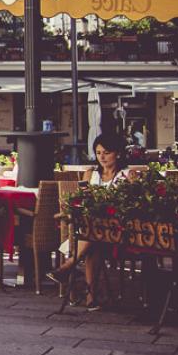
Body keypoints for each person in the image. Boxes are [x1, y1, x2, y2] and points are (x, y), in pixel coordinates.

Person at [51, 132, 129, 311]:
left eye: (106, 152)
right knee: (93, 244)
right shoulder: (90, 174)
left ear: (117, 153)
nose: (101, 157)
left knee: (91, 236)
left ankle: (69, 265)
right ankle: (91, 298)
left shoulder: (126, 175)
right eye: (99, 152)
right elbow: (82, 201)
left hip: (116, 232)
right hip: (93, 232)